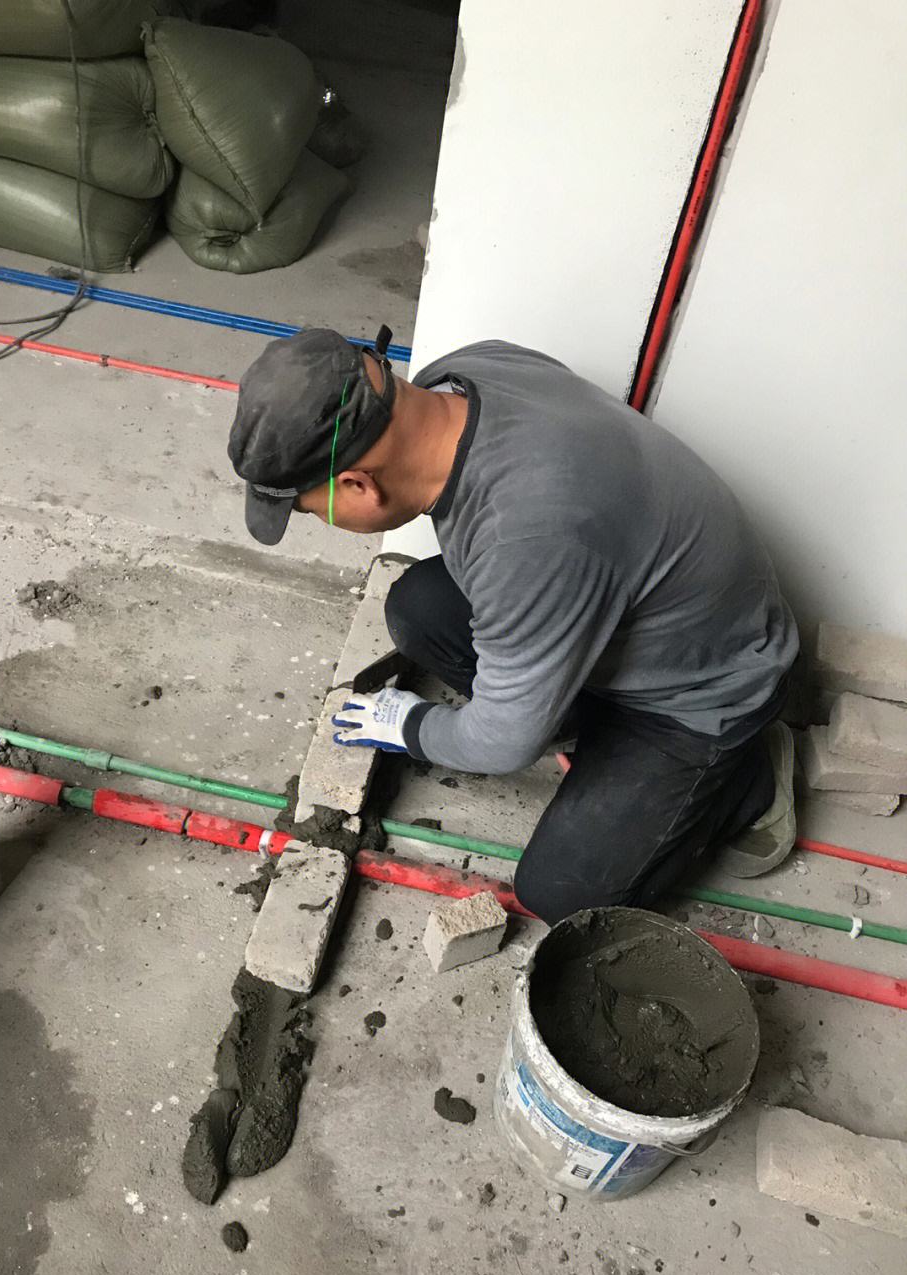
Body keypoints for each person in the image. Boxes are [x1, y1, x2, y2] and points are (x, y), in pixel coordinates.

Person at [227, 326, 799, 923]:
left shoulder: (528, 536)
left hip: (707, 688)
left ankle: (745, 783)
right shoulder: (466, 375)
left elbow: (502, 744)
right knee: (419, 609)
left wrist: (416, 726)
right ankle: (575, 724)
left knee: (562, 896)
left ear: (357, 485)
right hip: (637, 611)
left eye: (314, 513)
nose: (322, 521)